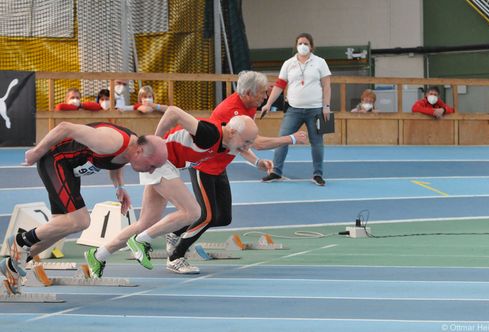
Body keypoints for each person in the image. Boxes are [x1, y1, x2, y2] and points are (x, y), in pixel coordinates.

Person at [84, 106, 270, 278]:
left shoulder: (228, 139)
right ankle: (142, 241)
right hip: (162, 163)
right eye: (246, 142)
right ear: (231, 132)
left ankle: (99, 254)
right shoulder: (209, 133)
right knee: (193, 212)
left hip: (165, 166)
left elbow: (241, 148)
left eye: (250, 143)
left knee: (145, 222)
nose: (246, 147)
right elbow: (173, 112)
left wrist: (257, 162)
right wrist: (155, 144)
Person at [163, 70, 307, 274]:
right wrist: (290, 139)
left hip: (219, 166)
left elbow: (243, 143)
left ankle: (176, 230)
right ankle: (176, 256)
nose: (266, 97)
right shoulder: (231, 110)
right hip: (204, 166)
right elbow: (257, 142)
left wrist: (255, 162)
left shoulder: (250, 107)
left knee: (223, 218)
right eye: (262, 93)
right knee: (206, 216)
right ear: (248, 93)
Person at [0, 122, 167, 294]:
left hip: (68, 169)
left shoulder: (132, 149)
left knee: (60, 227)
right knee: (80, 221)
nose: (152, 171)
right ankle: (20, 240)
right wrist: (38, 150)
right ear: (139, 151)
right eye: (152, 165)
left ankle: (13, 264)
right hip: (54, 160)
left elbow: (117, 163)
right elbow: (65, 127)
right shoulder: (110, 141)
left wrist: (119, 187)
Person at [260, 32, 331, 186]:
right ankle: (276, 172)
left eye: (306, 43)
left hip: (316, 109)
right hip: (293, 110)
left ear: (311, 46)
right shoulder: (288, 63)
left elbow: (326, 85)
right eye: (300, 43)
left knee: (317, 143)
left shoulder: (320, 62)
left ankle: (318, 174)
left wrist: (326, 106)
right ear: (296, 46)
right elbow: (279, 85)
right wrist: (268, 103)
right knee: (282, 139)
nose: (303, 46)